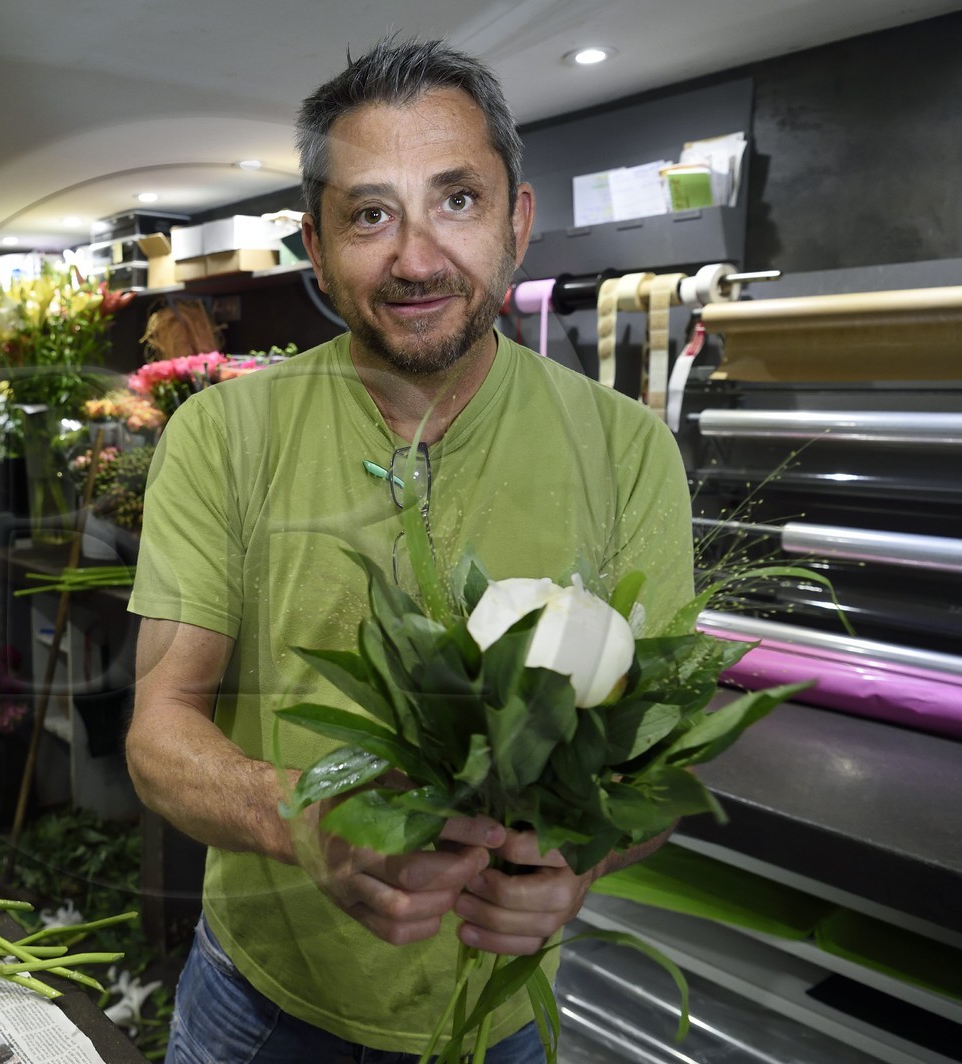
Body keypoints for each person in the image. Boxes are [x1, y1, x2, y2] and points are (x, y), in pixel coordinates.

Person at [126, 37, 693, 1064]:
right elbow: (159, 729)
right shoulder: (219, 436)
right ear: (316, 243)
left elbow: (655, 760)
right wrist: (299, 815)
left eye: (458, 201)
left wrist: (582, 865)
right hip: (257, 1009)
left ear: (517, 219)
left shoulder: (627, 448)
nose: (418, 257)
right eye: (370, 213)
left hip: (498, 1024)